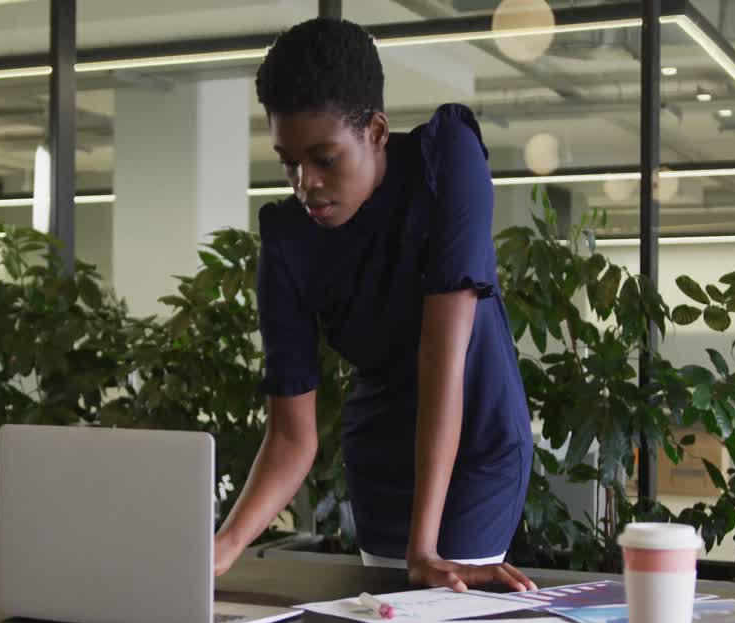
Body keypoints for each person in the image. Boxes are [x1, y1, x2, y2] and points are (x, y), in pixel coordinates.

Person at [213, 17, 536, 593]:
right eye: (288, 161)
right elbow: (292, 435)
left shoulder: (448, 163)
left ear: (378, 131)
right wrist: (223, 546)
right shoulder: (288, 241)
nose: (303, 182)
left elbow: (444, 355)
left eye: (324, 159)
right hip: (380, 451)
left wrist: (424, 547)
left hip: (473, 446)